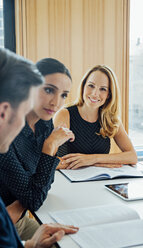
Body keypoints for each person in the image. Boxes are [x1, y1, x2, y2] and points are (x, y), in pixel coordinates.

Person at [0, 48, 78, 247]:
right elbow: (35, 197)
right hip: (9, 223)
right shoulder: (6, 135)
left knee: (72, 239)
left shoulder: (45, 124)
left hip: (16, 219)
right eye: (49, 90)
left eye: (64, 95)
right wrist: (50, 146)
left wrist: (24, 199)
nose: (56, 102)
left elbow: (42, 181)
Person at [54, 65, 137, 169]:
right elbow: (50, 162)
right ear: (83, 86)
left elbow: (132, 156)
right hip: (69, 181)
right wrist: (93, 162)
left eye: (103, 89)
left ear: (109, 95)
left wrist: (94, 159)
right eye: (91, 86)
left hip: (99, 180)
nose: (95, 94)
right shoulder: (64, 114)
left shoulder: (110, 119)